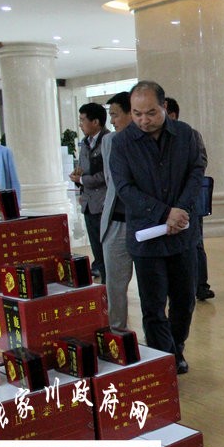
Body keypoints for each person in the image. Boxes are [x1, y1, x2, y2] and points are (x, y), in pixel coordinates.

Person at [109, 81, 206, 374]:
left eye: (150, 113)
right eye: (137, 113)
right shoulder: (122, 143)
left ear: (164, 106)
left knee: (184, 301)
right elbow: (125, 188)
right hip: (146, 237)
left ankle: (177, 347)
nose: (143, 120)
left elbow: (197, 172)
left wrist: (181, 210)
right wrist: (165, 213)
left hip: (182, 234)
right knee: (153, 306)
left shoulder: (186, 135)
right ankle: (164, 359)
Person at [165, 97, 215, 301]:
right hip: (166, 204)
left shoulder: (190, 135)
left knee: (196, 243)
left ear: (172, 115)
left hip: (189, 200)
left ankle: (201, 285)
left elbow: (200, 164)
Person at [99, 91, 135, 329]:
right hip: (115, 222)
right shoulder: (109, 142)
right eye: (110, 115)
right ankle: (117, 334)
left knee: (152, 288)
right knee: (114, 285)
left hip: (144, 224)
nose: (112, 121)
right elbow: (110, 179)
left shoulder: (149, 141)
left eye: (115, 115)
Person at [70, 103, 110, 282]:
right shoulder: (85, 142)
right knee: (96, 247)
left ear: (95, 122)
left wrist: (82, 180)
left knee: (107, 247)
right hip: (89, 203)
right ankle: (102, 281)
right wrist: (77, 177)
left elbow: (106, 174)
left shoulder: (108, 141)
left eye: (82, 120)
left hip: (104, 202)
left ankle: (109, 283)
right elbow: (84, 168)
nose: (80, 124)